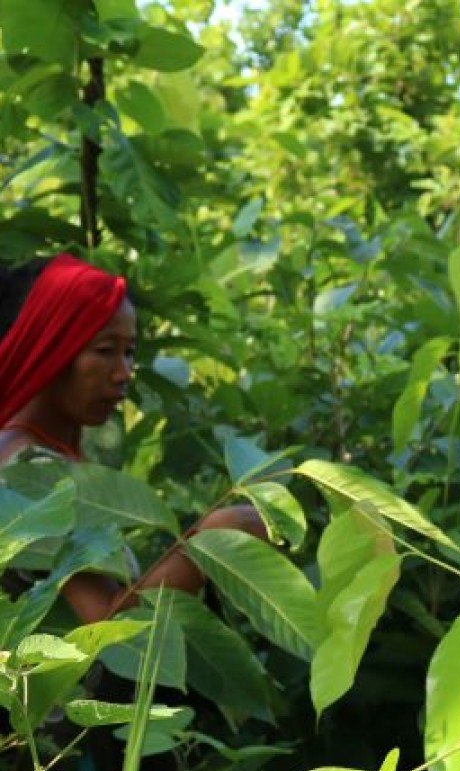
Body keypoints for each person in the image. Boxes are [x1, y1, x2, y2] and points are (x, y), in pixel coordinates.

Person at [0, 252, 264, 623]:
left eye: (129, 352)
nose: (124, 373)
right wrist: (212, 541)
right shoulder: (34, 475)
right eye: (105, 351)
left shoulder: (25, 453)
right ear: (48, 349)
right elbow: (108, 640)